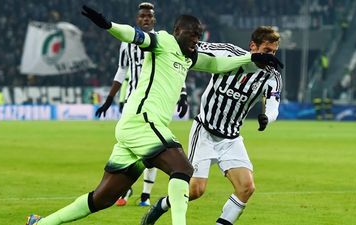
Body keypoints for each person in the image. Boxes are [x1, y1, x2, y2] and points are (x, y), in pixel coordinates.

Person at [25, 5, 281, 225]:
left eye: (199, 36)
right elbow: (134, 36)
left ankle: (42, 222)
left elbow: (216, 64)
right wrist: (108, 25)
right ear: (179, 31)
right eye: (193, 35)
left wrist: (253, 59)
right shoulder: (163, 41)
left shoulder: (188, 57)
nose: (197, 40)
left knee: (102, 198)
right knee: (182, 168)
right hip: (142, 122)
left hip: (137, 130)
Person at [141, 26, 284, 225]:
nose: (271, 57)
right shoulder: (227, 52)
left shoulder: (272, 76)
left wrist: (267, 117)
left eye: (274, 53)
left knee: (246, 188)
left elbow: (274, 105)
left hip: (231, 137)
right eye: (267, 51)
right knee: (196, 190)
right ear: (253, 46)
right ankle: (162, 205)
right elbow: (190, 48)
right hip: (205, 131)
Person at [94, 2, 185, 207]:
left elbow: (177, 68)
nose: (145, 18)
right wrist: (111, 99)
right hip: (133, 101)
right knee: (136, 146)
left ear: (154, 19)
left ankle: (145, 195)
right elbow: (122, 71)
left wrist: (183, 94)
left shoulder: (164, 42)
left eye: (149, 16)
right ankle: (125, 185)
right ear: (137, 19)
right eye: (142, 16)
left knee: (154, 146)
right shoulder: (127, 42)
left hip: (155, 102)